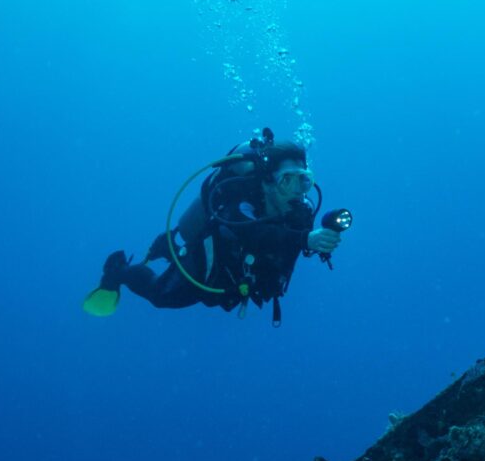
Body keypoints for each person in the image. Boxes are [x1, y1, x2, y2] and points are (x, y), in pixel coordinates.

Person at [83, 132, 344, 324]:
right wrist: (306, 240)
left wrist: (317, 239)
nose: (298, 191)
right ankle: (118, 271)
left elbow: (285, 246)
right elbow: (252, 234)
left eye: (304, 181)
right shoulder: (241, 203)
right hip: (207, 262)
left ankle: (169, 246)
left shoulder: (300, 211)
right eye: (288, 181)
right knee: (161, 296)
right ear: (267, 182)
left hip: (236, 278)